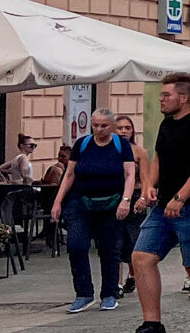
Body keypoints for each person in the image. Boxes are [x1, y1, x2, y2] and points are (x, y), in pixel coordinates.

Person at [117, 74, 190, 333]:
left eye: (166, 95)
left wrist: (180, 197)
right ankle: (152, 325)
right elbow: (159, 157)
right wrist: (150, 185)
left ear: (184, 98)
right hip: (164, 206)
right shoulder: (166, 125)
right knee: (141, 257)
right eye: (161, 95)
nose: (161, 99)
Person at [51, 110, 137, 313]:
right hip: (81, 202)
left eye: (103, 126)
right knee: (76, 245)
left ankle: (109, 294)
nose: (99, 129)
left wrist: (126, 200)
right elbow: (70, 174)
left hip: (112, 203)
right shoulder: (82, 144)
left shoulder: (121, 145)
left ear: (112, 126)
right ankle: (83, 293)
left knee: (109, 249)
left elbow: (130, 174)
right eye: (95, 125)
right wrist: (57, 202)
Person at [114, 115, 150, 296]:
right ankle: (117, 284)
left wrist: (143, 198)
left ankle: (133, 275)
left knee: (133, 240)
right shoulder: (110, 150)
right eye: (120, 128)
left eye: (127, 128)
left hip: (135, 197)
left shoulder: (139, 152)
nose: (124, 131)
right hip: (115, 197)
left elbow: (146, 179)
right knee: (116, 241)